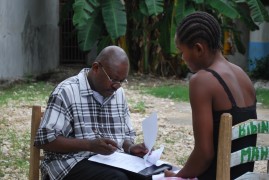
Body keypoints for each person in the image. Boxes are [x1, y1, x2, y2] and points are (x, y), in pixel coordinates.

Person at [164, 11, 257, 179]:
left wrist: (179, 175)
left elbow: (204, 155)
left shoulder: (202, 81)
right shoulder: (243, 76)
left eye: (181, 52)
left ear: (199, 49)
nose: (182, 58)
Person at [34, 46, 149, 180]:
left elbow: (124, 136)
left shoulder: (118, 93)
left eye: (121, 81)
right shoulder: (66, 91)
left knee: (149, 176)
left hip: (110, 162)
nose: (116, 86)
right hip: (69, 164)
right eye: (113, 79)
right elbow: (44, 140)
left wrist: (131, 147)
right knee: (116, 178)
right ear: (96, 68)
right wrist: (90, 145)